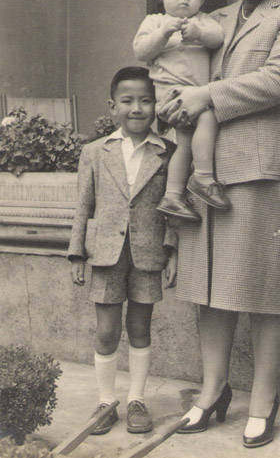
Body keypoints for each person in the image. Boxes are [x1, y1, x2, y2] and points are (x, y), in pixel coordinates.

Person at [157, 0, 280, 448]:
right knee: (209, 288)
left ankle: (264, 398)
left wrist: (207, 97)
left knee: (263, 292)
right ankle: (211, 392)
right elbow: (176, 67)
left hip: (258, 169)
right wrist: (172, 102)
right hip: (206, 172)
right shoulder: (215, 17)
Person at [67, 66, 178, 435]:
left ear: (156, 106)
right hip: (105, 254)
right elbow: (84, 206)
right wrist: (76, 253)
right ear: (112, 107)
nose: (137, 108)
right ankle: (105, 400)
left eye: (146, 101)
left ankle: (136, 399)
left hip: (147, 254)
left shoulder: (168, 152)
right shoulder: (95, 152)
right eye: (127, 101)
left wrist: (172, 252)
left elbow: (175, 208)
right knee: (106, 331)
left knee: (140, 327)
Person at [133, 0, 230, 223]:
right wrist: (164, 33)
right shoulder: (154, 22)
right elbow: (141, 51)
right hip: (170, 97)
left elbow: (218, 38)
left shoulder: (203, 21)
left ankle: (173, 195)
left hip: (193, 98)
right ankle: (202, 178)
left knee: (184, 142)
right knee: (210, 116)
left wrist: (198, 33)